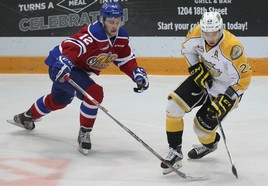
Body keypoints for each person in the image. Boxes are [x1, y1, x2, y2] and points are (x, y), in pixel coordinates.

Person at [11, 2, 149, 155]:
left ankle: (26, 117)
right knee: (95, 93)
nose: (114, 26)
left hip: (78, 70)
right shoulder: (93, 34)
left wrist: (135, 72)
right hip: (61, 66)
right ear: (102, 20)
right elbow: (74, 44)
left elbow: (124, 59)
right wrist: (66, 60)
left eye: (118, 22)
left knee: (59, 101)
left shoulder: (121, 37)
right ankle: (85, 132)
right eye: (111, 22)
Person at [160, 12, 252, 174]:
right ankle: (175, 151)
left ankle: (211, 144)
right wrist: (196, 68)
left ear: (221, 29)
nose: (210, 37)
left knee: (200, 130)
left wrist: (226, 99)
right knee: (173, 107)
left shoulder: (232, 47)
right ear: (201, 30)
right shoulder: (195, 33)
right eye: (206, 33)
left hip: (227, 90)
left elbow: (243, 78)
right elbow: (186, 50)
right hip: (206, 78)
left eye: (215, 33)